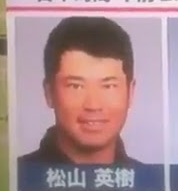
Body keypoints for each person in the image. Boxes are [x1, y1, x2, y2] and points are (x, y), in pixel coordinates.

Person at [19, 16, 141, 165]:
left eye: (108, 86)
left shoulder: (147, 177)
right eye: (76, 86)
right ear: (49, 92)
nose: (93, 105)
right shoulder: (20, 173)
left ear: (131, 92)